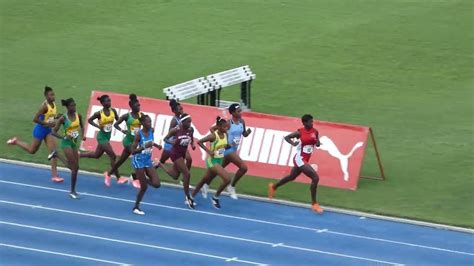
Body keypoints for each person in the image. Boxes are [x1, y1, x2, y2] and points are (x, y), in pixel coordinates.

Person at [6, 86, 65, 183]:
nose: (53, 96)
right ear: (46, 96)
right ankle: (16, 141)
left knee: (54, 151)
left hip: (48, 131)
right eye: (51, 95)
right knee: (32, 150)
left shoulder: (53, 104)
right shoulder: (44, 106)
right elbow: (35, 119)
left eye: (53, 94)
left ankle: (55, 176)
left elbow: (50, 116)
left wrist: (58, 117)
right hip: (40, 130)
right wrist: (47, 124)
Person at [268, 114, 323, 213]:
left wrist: (318, 143)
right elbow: (287, 137)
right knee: (315, 178)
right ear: (304, 123)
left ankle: (274, 186)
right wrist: (294, 143)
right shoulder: (300, 132)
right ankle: (314, 204)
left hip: (306, 158)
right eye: (310, 122)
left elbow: (316, 141)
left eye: (312, 121)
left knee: (292, 177)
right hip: (299, 159)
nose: (312, 123)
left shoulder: (315, 131)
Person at [201, 103, 251, 199]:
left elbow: (243, 134)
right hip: (227, 150)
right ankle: (231, 186)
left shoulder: (242, 122)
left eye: (240, 110)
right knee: (244, 167)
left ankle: (205, 185)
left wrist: (247, 132)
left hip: (233, 150)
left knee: (216, 171)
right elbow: (212, 129)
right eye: (238, 111)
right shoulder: (228, 123)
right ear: (232, 113)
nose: (241, 112)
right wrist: (218, 139)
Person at [80, 95, 128, 185]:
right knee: (113, 156)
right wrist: (98, 126)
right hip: (101, 137)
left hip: (107, 137)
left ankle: (79, 155)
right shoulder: (99, 113)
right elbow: (90, 120)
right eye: (107, 101)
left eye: (110, 100)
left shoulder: (113, 111)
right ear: (102, 103)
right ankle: (117, 177)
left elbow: (118, 122)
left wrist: (123, 130)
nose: (109, 102)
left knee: (96, 155)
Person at [192, 117, 231, 209]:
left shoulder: (226, 135)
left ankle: (191, 196)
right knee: (227, 179)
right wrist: (209, 151)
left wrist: (228, 146)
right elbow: (199, 142)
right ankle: (215, 197)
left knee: (203, 180)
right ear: (219, 127)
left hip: (219, 160)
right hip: (212, 161)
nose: (226, 128)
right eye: (224, 127)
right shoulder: (213, 136)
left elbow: (224, 146)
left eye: (227, 127)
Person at [104, 94, 142, 188]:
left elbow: (146, 125)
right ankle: (135, 178)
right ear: (132, 106)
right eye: (137, 105)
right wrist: (122, 130)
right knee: (137, 156)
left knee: (121, 161)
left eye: (139, 105)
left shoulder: (141, 116)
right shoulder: (127, 116)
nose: (139, 107)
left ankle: (108, 174)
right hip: (128, 141)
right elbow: (116, 124)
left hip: (135, 142)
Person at [51, 98, 86, 199]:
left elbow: (82, 126)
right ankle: (72, 191)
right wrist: (63, 137)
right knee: (74, 168)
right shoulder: (63, 118)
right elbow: (53, 131)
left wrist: (83, 136)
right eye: (72, 106)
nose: (74, 107)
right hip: (66, 143)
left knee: (75, 168)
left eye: (75, 105)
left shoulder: (78, 115)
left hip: (74, 143)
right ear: (67, 107)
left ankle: (56, 155)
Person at [161, 113, 196, 209]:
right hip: (175, 154)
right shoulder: (176, 130)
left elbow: (191, 138)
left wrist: (192, 144)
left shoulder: (190, 130)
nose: (190, 123)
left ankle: (159, 164)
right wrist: (171, 142)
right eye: (188, 121)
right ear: (183, 122)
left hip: (182, 154)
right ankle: (188, 197)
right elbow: (165, 139)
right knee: (187, 174)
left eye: (190, 121)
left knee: (175, 176)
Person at [130, 115, 162, 215]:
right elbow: (133, 151)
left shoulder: (151, 130)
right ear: (143, 123)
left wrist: (157, 145)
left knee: (157, 184)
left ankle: (137, 177)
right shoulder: (138, 135)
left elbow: (151, 142)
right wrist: (144, 146)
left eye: (150, 121)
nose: (150, 123)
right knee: (144, 187)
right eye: (148, 122)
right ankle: (136, 207)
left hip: (147, 160)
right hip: (138, 161)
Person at [157, 100, 193, 178]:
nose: (182, 110)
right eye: (180, 109)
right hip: (171, 144)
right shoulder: (174, 121)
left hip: (180, 144)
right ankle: (147, 173)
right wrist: (172, 140)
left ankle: (185, 178)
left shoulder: (184, 118)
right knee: (162, 161)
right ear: (174, 111)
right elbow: (169, 133)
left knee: (189, 159)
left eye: (182, 108)